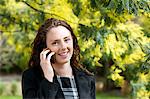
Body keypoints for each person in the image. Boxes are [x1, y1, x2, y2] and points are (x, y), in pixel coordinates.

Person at [22, 18, 95, 99]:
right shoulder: (31, 77)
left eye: (66, 40)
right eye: (55, 43)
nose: (63, 47)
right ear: (44, 48)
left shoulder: (87, 78)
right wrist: (48, 80)